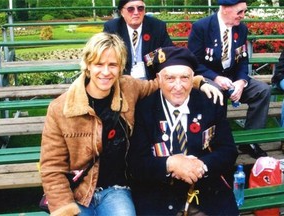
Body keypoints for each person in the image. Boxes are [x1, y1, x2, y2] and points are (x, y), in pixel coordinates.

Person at [40, 32, 223, 216]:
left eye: (112, 65)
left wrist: (199, 82)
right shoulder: (60, 108)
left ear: (120, 67)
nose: (106, 72)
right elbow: (52, 167)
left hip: (115, 189)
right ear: (87, 65)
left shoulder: (128, 88)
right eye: (99, 64)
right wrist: (64, 209)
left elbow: (161, 82)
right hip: (77, 193)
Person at [128, 46, 239, 216]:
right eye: (170, 78)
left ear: (193, 78)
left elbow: (228, 151)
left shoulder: (209, 103)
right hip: (158, 194)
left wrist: (201, 165)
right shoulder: (144, 109)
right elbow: (136, 163)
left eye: (185, 78)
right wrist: (170, 164)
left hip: (205, 190)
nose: (178, 86)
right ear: (158, 79)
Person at [188, 0, 271, 159]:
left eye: (244, 11)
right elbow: (194, 62)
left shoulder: (241, 28)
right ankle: (215, 142)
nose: (243, 16)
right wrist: (216, 78)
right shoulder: (201, 27)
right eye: (239, 12)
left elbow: (242, 60)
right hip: (209, 76)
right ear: (225, 9)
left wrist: (241, 81)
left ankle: (251, 140)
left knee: (263, 90)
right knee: (216, 91)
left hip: (233, 77)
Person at [103, 0, 174, 80]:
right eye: (131, 9)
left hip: (151, 80)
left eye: (140, 8)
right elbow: (106, 56)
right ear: (122, 12)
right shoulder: (112, 28)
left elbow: (169, 51)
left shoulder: (157, 26)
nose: (136, 12)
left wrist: (147, 58)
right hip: (122, 81)